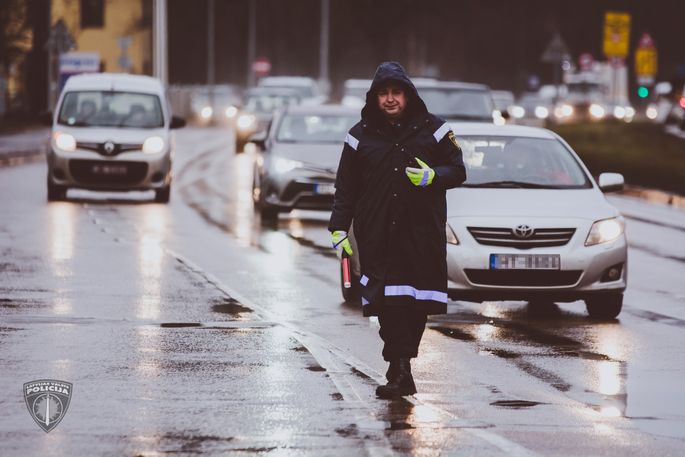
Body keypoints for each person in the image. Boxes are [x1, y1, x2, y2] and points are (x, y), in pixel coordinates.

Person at [329, 62, 466, 399]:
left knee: (414, 303)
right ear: (375, 98)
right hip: (376, 235)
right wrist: (338, 229)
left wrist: (434, 175)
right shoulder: (359, 136)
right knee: (387, 306)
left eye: (396, 92)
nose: (390, 99)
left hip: (419, 235)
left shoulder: (435, 130)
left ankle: (400, 366)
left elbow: (458, 170)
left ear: (408, 95)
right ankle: (400, 366)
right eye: (383, 93)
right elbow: (345, 187)